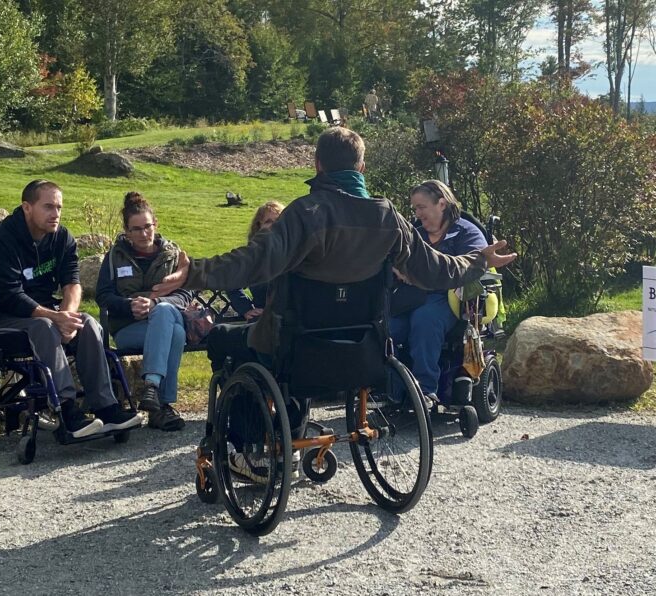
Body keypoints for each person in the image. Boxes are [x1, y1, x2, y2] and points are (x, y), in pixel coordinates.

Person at [151, 127, 516, 478]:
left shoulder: (306, 214)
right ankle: (286, 432)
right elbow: (436, 270)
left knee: (225, 340)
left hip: (296, 350)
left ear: (317, 165)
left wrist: (194, 273)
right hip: (364, 350)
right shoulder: (388, 217)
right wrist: (479, 260)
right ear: (361, 167)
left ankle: (255, 449)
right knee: (283, 341)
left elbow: (254, 260)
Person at [0, 179, 143, 438]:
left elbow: (72, 282)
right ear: (27, 207)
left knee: (88, 323)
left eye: (59, 207)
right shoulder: (2, 242)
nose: (56, 214)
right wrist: (55, 317)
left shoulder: (62, 237)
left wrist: (68, 316)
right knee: (44, 326)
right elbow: (11, 297)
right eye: (48, 207)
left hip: (45, 311)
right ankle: (65, 411)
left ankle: (106, 407)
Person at [96, 192, 190, 431]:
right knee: (176, 334)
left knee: (164, 312)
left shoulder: (173, 254)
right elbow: (103, 296)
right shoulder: (114, 257)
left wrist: (155, 304)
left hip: (165, 318)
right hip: (129, 328)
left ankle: (151, 385)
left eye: (147, 226)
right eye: (136, 229)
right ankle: (162, 405)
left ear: (155, 224)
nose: (143, 233)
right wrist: (129, 305)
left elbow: (186, 294)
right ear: (127, 231)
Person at [390, 180, 486, 404]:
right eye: (414, 208)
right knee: (389, 328)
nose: (417, 213)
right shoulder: (415, 235)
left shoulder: (466, 232)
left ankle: (426, 391)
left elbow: (475, 262)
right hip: (410, 297)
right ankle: (391, 392)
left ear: (441, 203)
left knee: (425, 320)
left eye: (421, 207)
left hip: (449, 298)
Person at [225, 201, 284, 321]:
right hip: (263, 320)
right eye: (268, 222)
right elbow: (231, 284)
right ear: (259, 226)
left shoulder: (296, 253)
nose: (274, 226)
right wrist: (246, 308)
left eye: (278, 221)